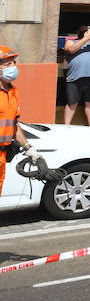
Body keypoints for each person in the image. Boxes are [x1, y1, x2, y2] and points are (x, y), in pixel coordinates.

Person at [0, 46, 34, 200]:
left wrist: (28, 148)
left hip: (2, 154)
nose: (13, 67)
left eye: (14, 63)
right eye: (7, 64)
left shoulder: (13, 91)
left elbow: (13, 124)